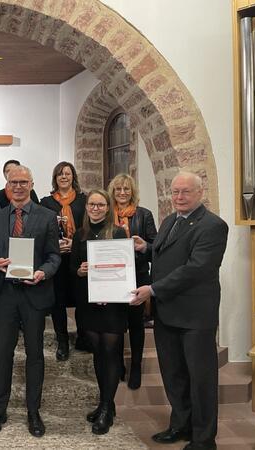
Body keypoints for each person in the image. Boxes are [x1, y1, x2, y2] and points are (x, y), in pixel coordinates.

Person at [131, 172, 228, 450]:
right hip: (167, 312)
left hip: (195, 315)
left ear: (200, 192)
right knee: (173, 374)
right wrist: (147, 248)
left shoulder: (212, 225)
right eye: (175, 192)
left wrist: (153, 289)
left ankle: (203, 439)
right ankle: (180, 426)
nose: (179, 197)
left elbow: (195, 269)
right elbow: (169, 255)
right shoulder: (170, 220)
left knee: (201, 380)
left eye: (185, 192)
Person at [0, 165, 61, 438]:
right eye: (13, 182)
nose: (18, 186)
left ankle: (33, 411)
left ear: (31, 183)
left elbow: (54, 256)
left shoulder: (48, 217)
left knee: (35, 355)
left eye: (23, 182)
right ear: (7, 185)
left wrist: (44, 272)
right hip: (4, 294)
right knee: (3, 354)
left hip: (34, 294)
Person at [70, 189, 128, 435]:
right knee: (97, 354)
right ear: (88, 208)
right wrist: (80, 271)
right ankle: (106, 404)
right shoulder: (80, 235)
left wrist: (110, 291)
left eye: (101, 204)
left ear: (108, 207)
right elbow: (72, 267)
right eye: (92, 204)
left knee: (110, 352)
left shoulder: (116, 232)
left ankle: (105, 408)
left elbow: (125, 266)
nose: (95, 208)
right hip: (89, 302)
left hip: (113, 302)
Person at [108, 173, 157, 389]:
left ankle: (136, 366)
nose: (122, 193)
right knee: (116, 323)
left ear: (132, 192)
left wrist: (143, 246)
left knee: (136, 323)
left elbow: (155, 248)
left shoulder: (144, 215)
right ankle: (118, 364)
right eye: (118, 189)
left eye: (126, 189)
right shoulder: (107, 214)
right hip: (112, 277)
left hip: (137, 274)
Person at [40, 161, 87, 361]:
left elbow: (89, 226)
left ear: (73, 177)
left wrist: (74, 243)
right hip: (56, 257)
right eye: (60, 174)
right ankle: (62, 341)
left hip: (78, 256)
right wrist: (56, 244)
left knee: (81, 298)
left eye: (67, 173)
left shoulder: (84, 200)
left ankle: (83, 337)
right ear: (55, 178)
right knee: (58, 301)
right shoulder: (46, 202)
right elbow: (42, 229)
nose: (64, 177)